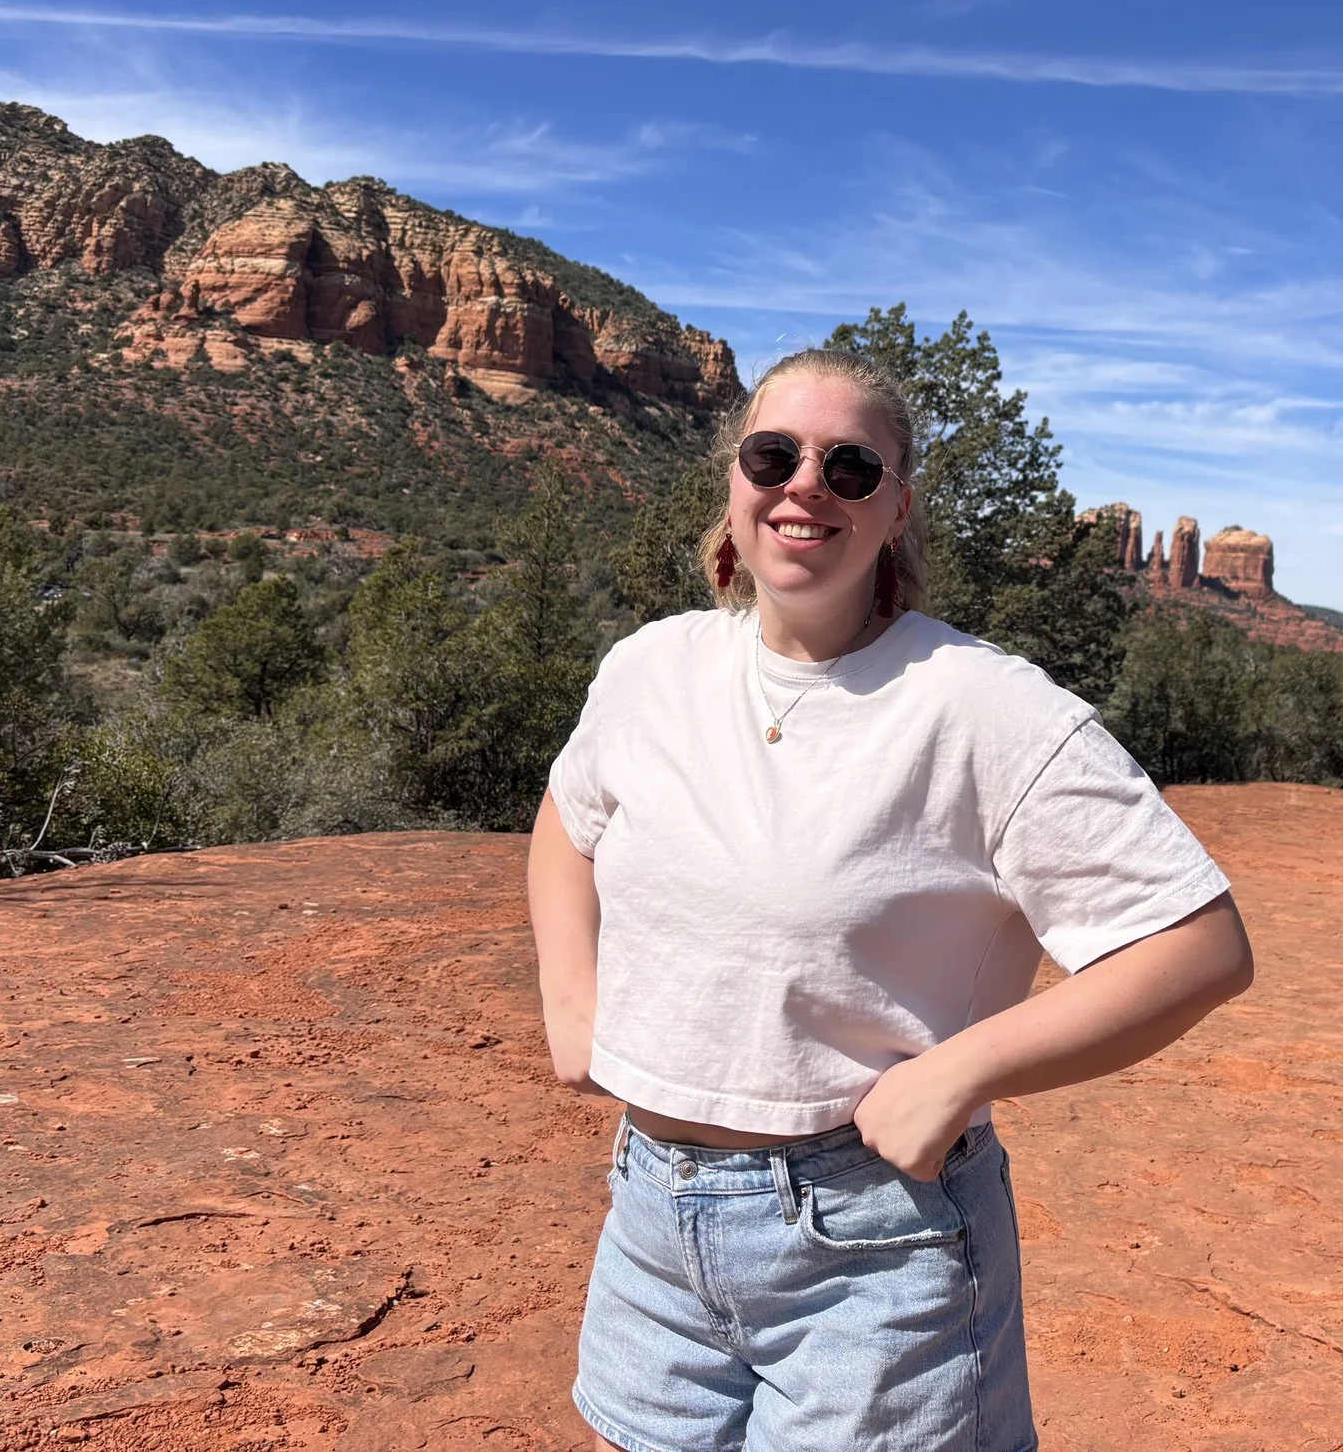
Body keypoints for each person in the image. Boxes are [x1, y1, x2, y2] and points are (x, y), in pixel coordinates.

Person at [526, 346, 1255, 1452]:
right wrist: (571, 1002)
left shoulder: (982, 707)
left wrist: (959, 1074)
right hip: (649, 1218)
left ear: (895, 507)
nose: (803, 483)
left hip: (874, 1243)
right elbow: (565, 825)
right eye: (773, 454)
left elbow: (1199, 946)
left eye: (849, 466)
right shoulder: (651, 668)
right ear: (735, 479)